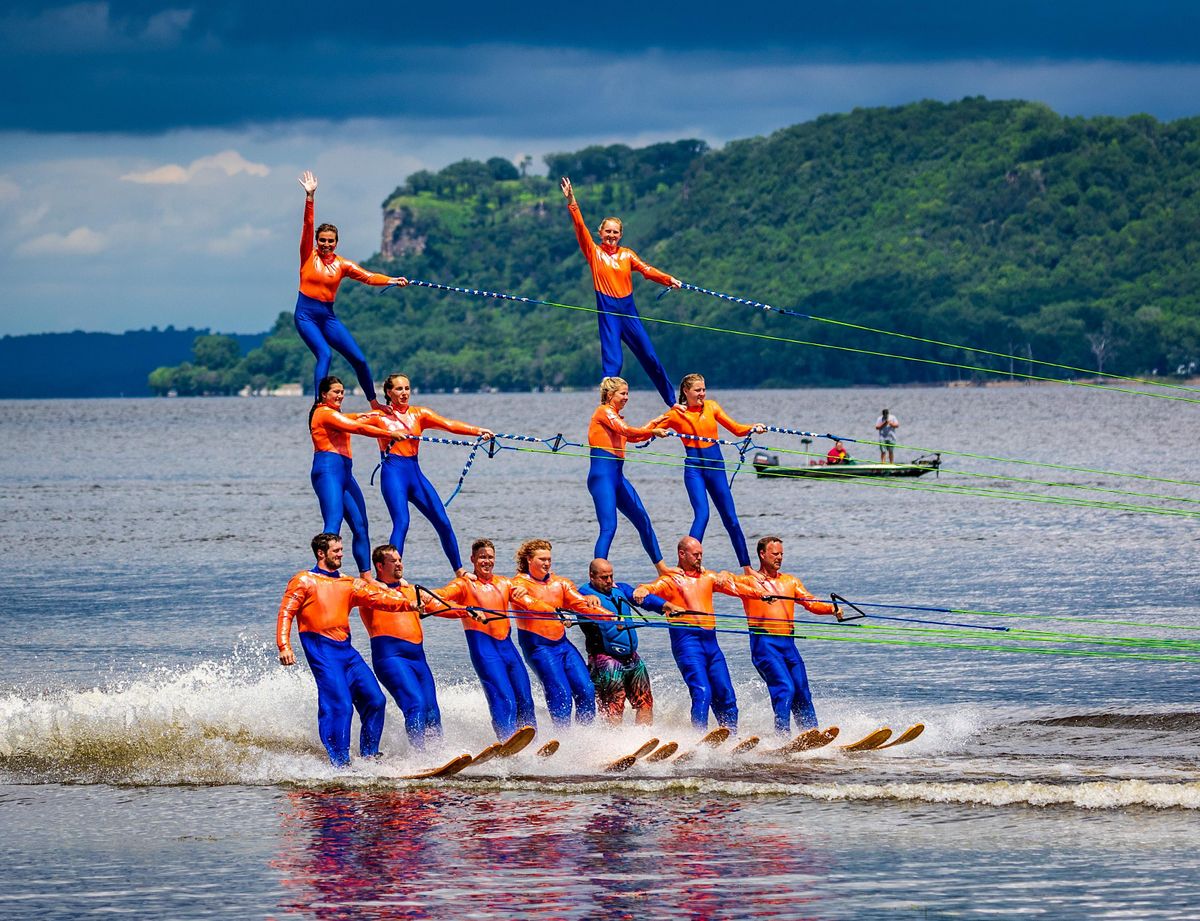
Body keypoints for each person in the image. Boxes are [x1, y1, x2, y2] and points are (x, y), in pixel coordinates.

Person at [276, 532, 423, 767]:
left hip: (346, 651)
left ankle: (369, 757)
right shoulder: (304, 580)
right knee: (341, 704)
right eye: (336, 551)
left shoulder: (348, 583)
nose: (341, 554)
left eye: (342, 550)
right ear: (321, 553)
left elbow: (378, 598)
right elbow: (286, 612)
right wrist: (284, 645)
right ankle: (340, 763)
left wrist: (408, 603)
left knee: (376, 700)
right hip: (322, 650)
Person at [560, 176, 681, 407]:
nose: (611, 236)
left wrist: (668, 279)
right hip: (608, 311)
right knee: (613, 362)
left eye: (615, 232)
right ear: (600, 232)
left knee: (650, 357)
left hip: (628, 311)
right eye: (608, 231)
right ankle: (607, 406)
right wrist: (572, 200)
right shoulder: (594, 253)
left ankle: (672, 401)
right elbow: (579, 227)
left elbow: (646, 270)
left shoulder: (628, 254)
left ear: (621, 234)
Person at [296, 170, 409, 405]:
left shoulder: (342, 264)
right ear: (317, 241)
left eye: (330, 241)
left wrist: (392, 280)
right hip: (305, 315)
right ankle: (319, 403)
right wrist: (310, 198)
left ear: (336, 243)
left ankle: (374, 402)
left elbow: (368, 277)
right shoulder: (308, 255)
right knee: (324, 354)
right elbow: (308, 225)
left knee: (359, 359)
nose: (326, 244)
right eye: (322, 240)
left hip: (327, 317)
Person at [633, 537, 762, 732]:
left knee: (726, 693)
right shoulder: (671, 580)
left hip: (711, 644)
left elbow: (736, 589)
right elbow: (651, 588)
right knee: (702, 692)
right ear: (681, 554)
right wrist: (642, 589)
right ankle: (697, 739)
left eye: (701, 554)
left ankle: (730, 735)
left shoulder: (707, 577)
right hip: (687, 643)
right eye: (695, 555)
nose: (699, 558)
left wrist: (760, 594)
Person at [372, 373, 494, 575]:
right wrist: (325, 412)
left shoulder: (419, 414)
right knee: (402, 522)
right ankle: (390, 575)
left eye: (407, 388)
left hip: (415, 474)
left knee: (443, 521)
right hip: (393, 474)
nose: (404, 393)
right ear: (388, 392)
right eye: (399, 389)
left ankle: (459, 571)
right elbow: (351, 423)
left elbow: (449, 424)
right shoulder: (379, 416)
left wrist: (477, 430)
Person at [434, 539, 552, 740]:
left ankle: (532, 744)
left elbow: (531, 603)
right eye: (482, 557)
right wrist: (466, 610)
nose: (486, 561)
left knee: (525, 699)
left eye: (490, 557)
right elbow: (439, 599)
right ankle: (506, 741)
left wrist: (556, 612)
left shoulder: (504, 583)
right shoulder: (464, 584)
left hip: (507, 648)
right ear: (473, 559)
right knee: (504, 698)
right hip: (484, 650)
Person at [654, 374, 765, 572]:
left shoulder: (712, 407)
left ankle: (747, 568)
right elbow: (645, 432)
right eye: (697, 390)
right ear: (686, 392)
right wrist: (654, 430)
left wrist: (753, 428)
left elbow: (737, 429)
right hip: (694, 470)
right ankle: (687, 567)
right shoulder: (676, 414)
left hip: (716, 468)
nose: (702, 394)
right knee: (702, 514)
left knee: (730, 518)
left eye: (704, 389)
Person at [737, 537, 843, 736]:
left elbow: (810, 602)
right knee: (785, 688)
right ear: (762, 554)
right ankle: (782, 738)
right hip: (764, 645)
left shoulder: (790, 581)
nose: (779, 558)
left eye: (781, 554)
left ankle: (811, 735)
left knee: (802, 691)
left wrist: (832, 609)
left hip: (788, 645)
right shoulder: (749, 581)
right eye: (775, 554)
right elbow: (724, 582)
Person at [510, 539, 610, 728]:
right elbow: (532, 605)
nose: (547, 563)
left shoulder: (560, 583)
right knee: (561, 692)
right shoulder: (518, 585)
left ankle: (586, 736)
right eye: (542, 559)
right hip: (538, 646)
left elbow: (580, 604)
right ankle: (562, 738)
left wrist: (610, 616)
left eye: (549, 559)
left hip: (562, 644)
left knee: (586, 689)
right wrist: (555, 610)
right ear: (529, 560)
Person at [358, 544, 442, 751]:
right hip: (391, 658)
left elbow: (442, 606)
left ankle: (439, 754)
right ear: (379, 566)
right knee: (415, 704)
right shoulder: (370, 592)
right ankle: (419, 756)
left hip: (418, 659)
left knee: (432, 710)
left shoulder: (410, 590)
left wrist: (469, 611)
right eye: (393, 561)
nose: (399, 564)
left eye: (400, 560)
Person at [309, 375, 394, 576]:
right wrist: (389, 434)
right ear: (324, 394)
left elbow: (363, 418)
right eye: (335, 392)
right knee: (333, 521)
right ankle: (323, 572)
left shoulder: (338, 414)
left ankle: (365, 576)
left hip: (345, 473)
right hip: (328, 471)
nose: (340, 395)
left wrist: (384, 413)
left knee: (360, 524)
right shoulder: (323, 413)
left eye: (342, 392)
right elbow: (357, 427)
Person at [578, 558, 679, 726]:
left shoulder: (620, 589)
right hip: (605, 659)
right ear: (592, 576)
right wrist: (584, 599)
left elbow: (643, 600)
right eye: (604, 577)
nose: (609, 581)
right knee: (614, 704)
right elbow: (570, 602)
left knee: (645, 701)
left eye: (611, 576)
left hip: (631, 657)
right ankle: (613, 744)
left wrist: (667, 605)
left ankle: (644, 739)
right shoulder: (583, 594)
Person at [587, 376, 671, 572]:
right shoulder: (603, 412)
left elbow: (635, 436)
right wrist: (653, 429)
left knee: (643, 520)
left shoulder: (615, 416)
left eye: (627, 393)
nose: (627, 397)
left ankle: (662, 568)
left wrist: (654, 425)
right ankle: (599, 575)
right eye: (623, 393)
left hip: (617, 478)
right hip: (602, 479)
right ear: (610, 395)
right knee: (609, 527)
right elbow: (626, 431)